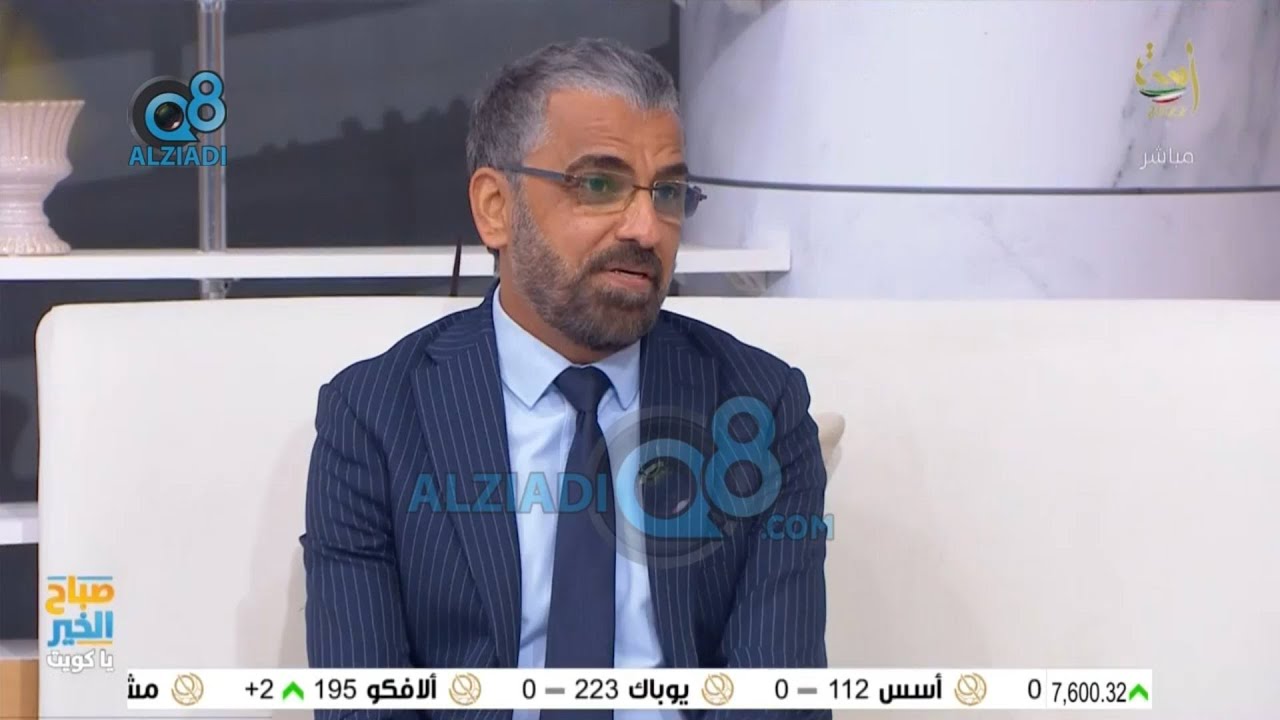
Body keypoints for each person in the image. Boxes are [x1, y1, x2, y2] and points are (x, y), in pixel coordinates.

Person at [301, 37, 829, 720]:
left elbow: (776, 700)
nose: (646, 228)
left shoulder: (759, 406)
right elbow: (363, 704)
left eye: (668, 193)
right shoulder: (374, 416)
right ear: (496, 207)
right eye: (600, 185)